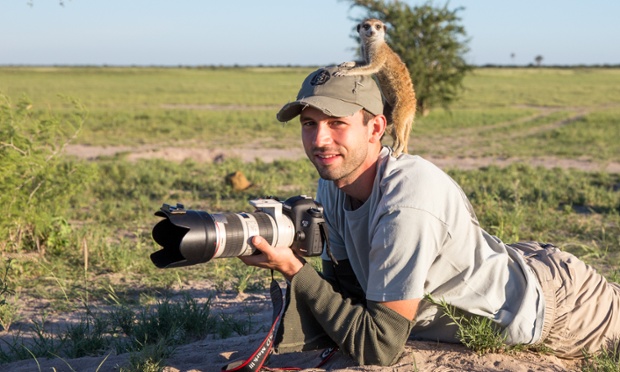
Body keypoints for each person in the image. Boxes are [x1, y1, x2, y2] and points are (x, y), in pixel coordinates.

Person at [239, 66, 620, 366]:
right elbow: (352, 293)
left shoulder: (407, 202)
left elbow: (378, 347)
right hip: (515, 263)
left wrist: (294, 270)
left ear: (375, 128)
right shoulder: (334, 183)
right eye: (309, 124)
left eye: (336, 123)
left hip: (559, 310)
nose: (320, 140)